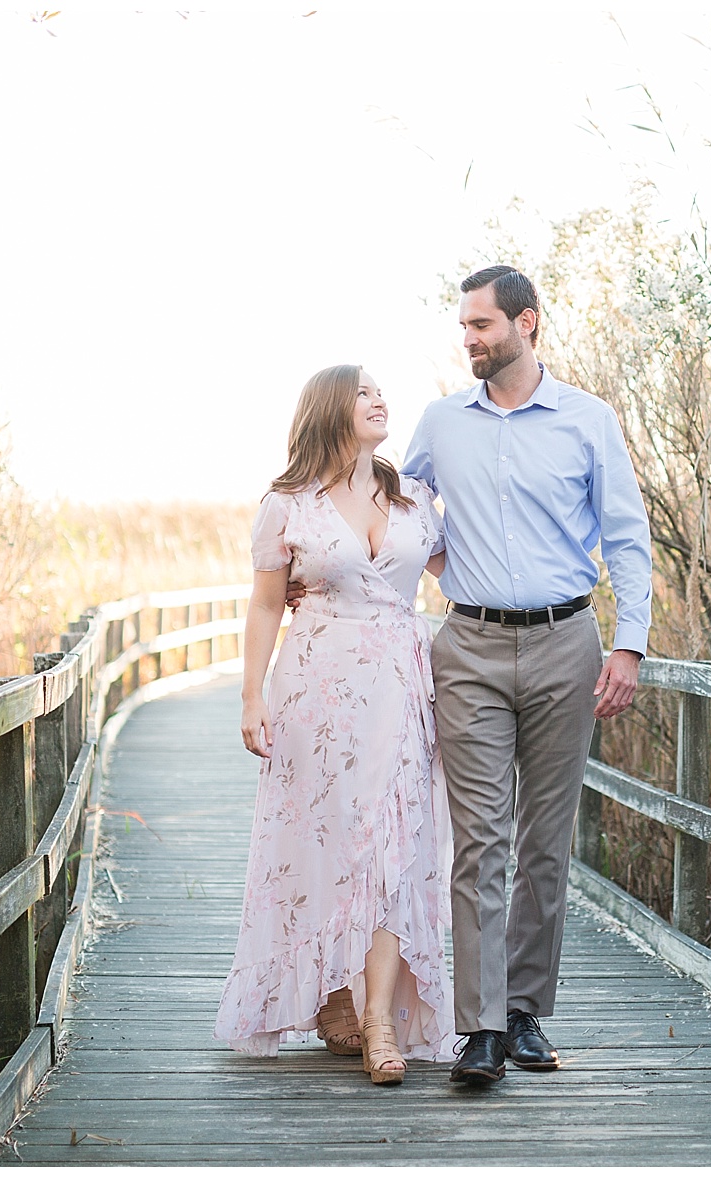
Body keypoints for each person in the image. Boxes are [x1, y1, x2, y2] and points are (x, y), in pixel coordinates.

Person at [401, 264, 652, 1084]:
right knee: (480, 842)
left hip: (565, 644)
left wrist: (629, 645)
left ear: (526, 323)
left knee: (545, 840)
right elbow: (401, 514)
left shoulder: (587, 420)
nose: (468, 341)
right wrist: (325, 564)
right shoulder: (441, 421)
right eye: (464, 329)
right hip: (467, 647)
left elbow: (625, 538)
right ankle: (476, 1030)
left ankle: (522, 1015)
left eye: (481, 327)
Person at [215, 363, 456, 1085]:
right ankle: (332, 994)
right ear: (329, 408)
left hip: (403, 689)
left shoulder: (412, 495)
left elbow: (463, 576)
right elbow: (263, 605)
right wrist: (250, 697)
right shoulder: (287, 503)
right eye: (363, 391)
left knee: (395, 844)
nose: (380, 399)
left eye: (381, 390)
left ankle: (380, 1018)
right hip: (316, 689)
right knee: (327, 842)